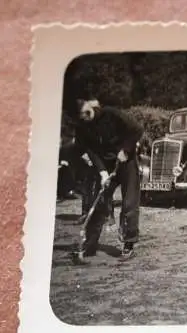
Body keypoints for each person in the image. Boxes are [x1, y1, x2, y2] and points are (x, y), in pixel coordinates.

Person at [72, 98, 144, 264]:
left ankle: (128, 243)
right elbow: (90, 150)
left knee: (129, 203)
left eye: (86, 112)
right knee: (99, 202)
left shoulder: (112, 114)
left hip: (126, 162)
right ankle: (89, 244)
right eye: (81, 116)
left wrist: (125, 150)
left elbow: (136, 129)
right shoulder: (82, 128)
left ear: (90, 106)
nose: (85, 117)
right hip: (106, 165)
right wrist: (102, 172)